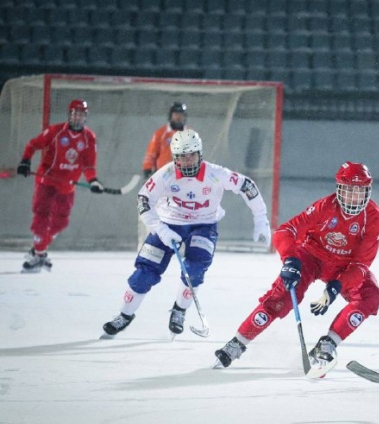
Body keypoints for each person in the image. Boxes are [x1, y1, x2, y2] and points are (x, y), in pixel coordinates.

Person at [213, 161, 379, 378]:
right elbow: (286, 230)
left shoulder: (374, 218)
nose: (353, 197)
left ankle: (328, 344)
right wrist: (291, 261)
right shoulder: (325, 207)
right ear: (339, 189)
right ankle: (237, 343)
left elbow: (361, 264)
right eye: (349, 190)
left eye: (359, 191)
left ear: (367, 192)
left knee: (371, 296)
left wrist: (336, 287)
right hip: (312, 256)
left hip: (345, 265)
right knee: (282, 298)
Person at [101, 128, 271, 338]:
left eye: (192, 155)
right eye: (182, 156)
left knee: (195, 270)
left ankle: (179, 310)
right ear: (175, 157)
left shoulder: (215, 174)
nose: (188, 161)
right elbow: (144, 199)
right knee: (144, 272)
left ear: (200, 154)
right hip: (168, 222)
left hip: (204, 225)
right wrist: (161, 230)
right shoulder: (166, 174)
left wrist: (261, 220)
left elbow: (248, 187)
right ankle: (124, 316)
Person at [16, 99, 104, 273]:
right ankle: (39, 254)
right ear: (69, 115)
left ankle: (38, 248)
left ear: (85, 117)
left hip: (67, 186)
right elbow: (33, 144)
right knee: (42, 215)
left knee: (61, 222)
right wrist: (26, 161)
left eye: (81, 115)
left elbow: (88, 165)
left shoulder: (89, 138)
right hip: (47, 181)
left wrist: (93, 181)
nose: (77, 118)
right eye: (74, 114)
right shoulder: (55, 131)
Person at [138, 102, 188, 247]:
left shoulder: (189, 134)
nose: (178, 117)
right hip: (162, 180)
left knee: (182, 213)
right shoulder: (161, 133)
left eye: (181, 115)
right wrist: (148, 171)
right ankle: (146, 244)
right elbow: (151, 153)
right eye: (176, 114)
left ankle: (181, 245)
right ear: (170, 116)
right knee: (152, 211)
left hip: (182, 182)